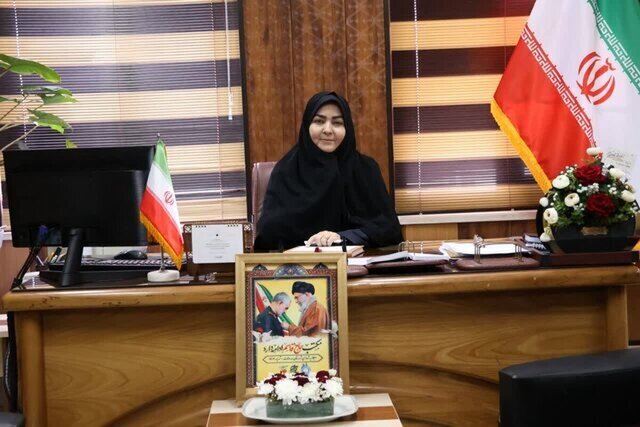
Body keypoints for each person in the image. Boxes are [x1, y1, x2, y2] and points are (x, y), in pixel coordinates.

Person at [254, 91, 403, 250]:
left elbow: (389, 229)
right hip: (298, 263)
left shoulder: (365, 169)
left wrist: (342, 237)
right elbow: (269, 233)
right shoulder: (287, 170)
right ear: (307, 125)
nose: (328, 130)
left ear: (347, 128)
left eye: (337, 123)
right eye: (319, 121)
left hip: (355, 261)